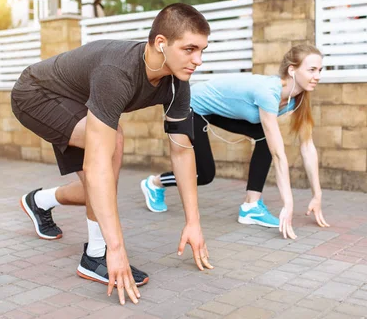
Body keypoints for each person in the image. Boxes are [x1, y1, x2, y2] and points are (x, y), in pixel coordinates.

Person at [11, 3, 214, 305]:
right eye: (190, 49)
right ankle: (96, 255)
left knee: (99, 185)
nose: (197, 60)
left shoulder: (176, 82)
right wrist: (116, 247)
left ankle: (39, 201)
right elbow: (97, 167)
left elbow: (183, 152)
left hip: (80, 102)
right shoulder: (116, 72)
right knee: (111, 149)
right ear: (161, 44)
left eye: (202, 50)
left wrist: (193, 222)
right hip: (36, 94)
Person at [141, 44, 330, 239]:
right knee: (204, 174)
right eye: (312, 70)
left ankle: (251, 206)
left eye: (320, 70)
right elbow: (278, 154)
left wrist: (317, 195)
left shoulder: (296, 99)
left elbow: (307, 146)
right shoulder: (269, 92)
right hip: (192, 106)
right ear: (292, 70)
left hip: (216, 111)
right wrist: (288, 204)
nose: (318, 76)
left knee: (265, 137)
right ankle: (154, 184)